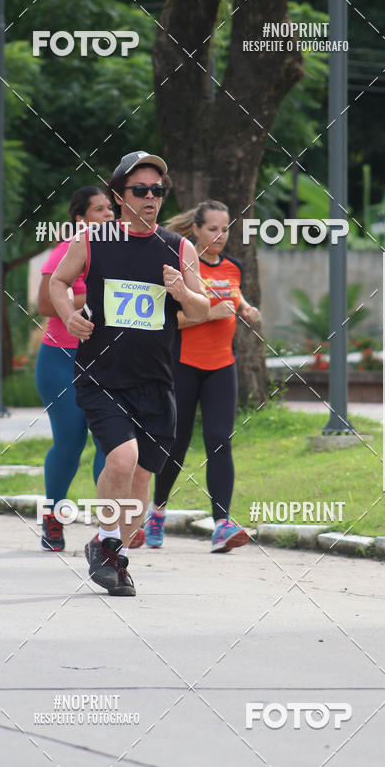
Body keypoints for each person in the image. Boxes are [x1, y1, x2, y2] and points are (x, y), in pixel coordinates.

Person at [49, 151, 210, 595]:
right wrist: (68, 315)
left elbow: (201, 309)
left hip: (156, 380)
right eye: (140, 190)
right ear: (120, 195)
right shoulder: (93, 239)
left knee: (142, 478)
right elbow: (57, 282)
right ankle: (106, 544)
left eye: (158, 190)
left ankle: (110, 550)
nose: (150, 197)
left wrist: (182, 291)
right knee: (121, 458)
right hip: (102, 374)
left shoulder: (179, 248)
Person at [144, 200, 260, 553]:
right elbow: (168, 320)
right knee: (176, 443)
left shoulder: (234, 266)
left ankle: (222, 524)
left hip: (222, 365)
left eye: (225, 229)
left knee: (219, 440)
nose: (220, 235)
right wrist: (211, 314)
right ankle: (157, 511)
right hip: (183, 364)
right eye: (212, 229)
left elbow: (233, 296)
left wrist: (246, 308)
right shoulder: (180, 267)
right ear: (195, 229)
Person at [35, 186, 111, 551]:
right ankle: (52, 516)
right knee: (70, 441)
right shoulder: (66, 250)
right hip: (60, 359)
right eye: (99, 209)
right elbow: (44, 304)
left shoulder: (119, 252)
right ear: (81, 219)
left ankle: (109, 527)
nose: (108, 214)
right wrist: (95, 294)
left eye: (110, 208)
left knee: (110, 442)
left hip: (106, 361)